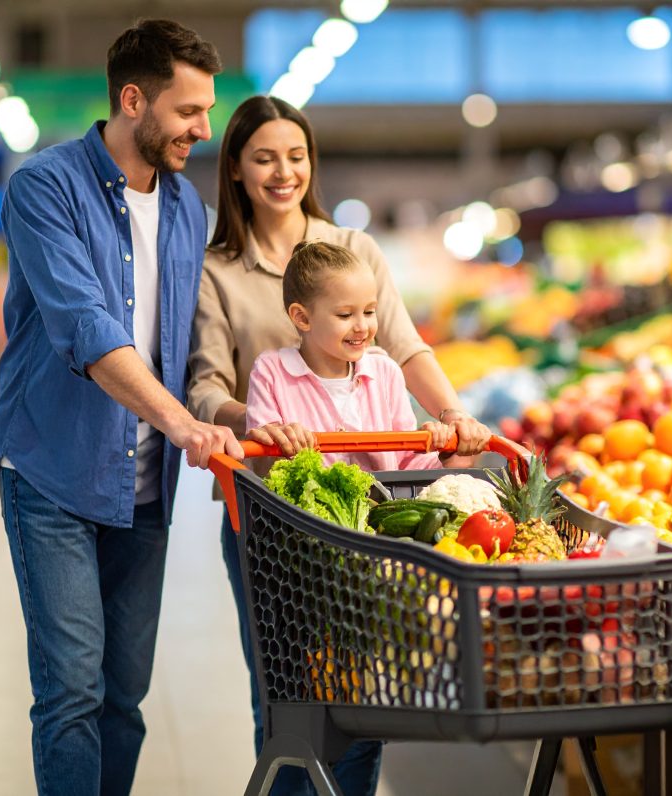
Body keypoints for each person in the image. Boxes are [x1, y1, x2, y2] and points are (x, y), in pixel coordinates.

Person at [186, 95, 489, 795]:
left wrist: (454, 419)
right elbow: (204, 385)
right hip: (270, 512)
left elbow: (404, 348)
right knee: (289, 692)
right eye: (264, 157)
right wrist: (258, 423)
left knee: (368, 686)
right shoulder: (218, 269)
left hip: (368, 516)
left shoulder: (354, 251)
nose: (283, 171)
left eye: (296, 155)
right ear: (235, 168)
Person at [0, 19, 243, 796]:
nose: (204, 129)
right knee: (72, 694)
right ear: (134, 100)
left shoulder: (188, 210)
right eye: (189, 111)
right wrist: (180, 422)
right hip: (53, 471)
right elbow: (86, 331)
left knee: (124, 699)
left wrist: (239, 411)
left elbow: (192, 341)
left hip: (146, 487)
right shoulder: (45, 188)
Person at [245, 239, 486, 474]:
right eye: (345, 315)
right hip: (296, 514)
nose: (362, 326)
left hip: (380, 514)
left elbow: (405, 468)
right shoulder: (271, 372)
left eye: (370, 311)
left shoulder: (385, 373)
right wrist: (281, 442)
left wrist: (443, 454)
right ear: (302, 318)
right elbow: (264, 467)